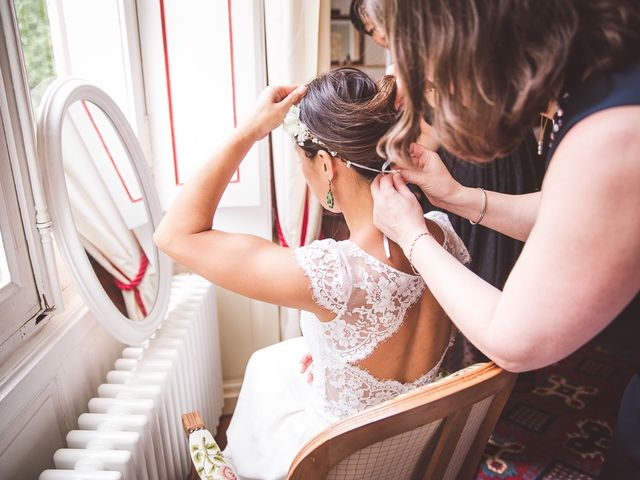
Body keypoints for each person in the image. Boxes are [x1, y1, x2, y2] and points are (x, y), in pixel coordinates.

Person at [366, 0, 640, 477]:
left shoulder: (614, 130)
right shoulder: (594, 78)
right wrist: (456, 197)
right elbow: (576, 215)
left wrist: (412, 235)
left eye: (428, 67)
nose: (430, 87)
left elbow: (515, 339)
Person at [154, 68, 470, 480]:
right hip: (411, 446)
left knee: (263, 385)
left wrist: (248, 132)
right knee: (271, 365)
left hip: (337, 459)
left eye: (302, 166)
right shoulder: (441, 233)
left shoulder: (333, 273)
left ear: (325, 165)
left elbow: (175, 234)